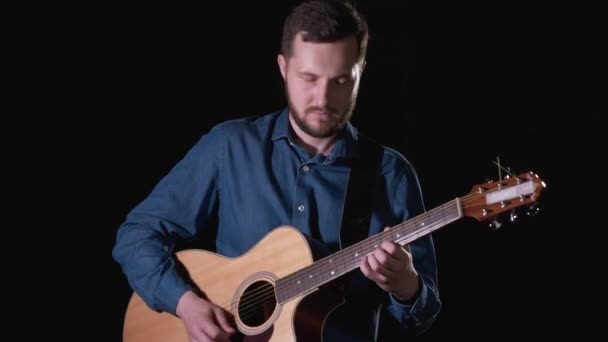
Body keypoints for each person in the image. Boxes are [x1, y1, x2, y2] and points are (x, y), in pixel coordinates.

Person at [112, 0, 441, 341]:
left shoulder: (391, 175)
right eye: (309, 78)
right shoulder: (230, 147)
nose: (323, 97)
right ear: (283, 68)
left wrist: (407, 286)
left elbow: (423, 314)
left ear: (360, 72)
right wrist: (185, 303)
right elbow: (137, 235)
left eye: (341, 80)